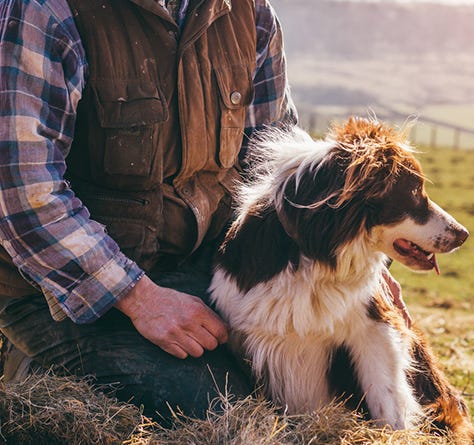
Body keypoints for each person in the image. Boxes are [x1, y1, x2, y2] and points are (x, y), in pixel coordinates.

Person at [0, 0, 407, 424]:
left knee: (345, 367)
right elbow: (22, 191)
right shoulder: (47, 10)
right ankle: (35, 378)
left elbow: (277, 169)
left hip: (203, 269)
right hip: (62, 293)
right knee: (222, 410)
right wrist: (141, 300)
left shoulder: (249, 12)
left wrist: (350, 264)